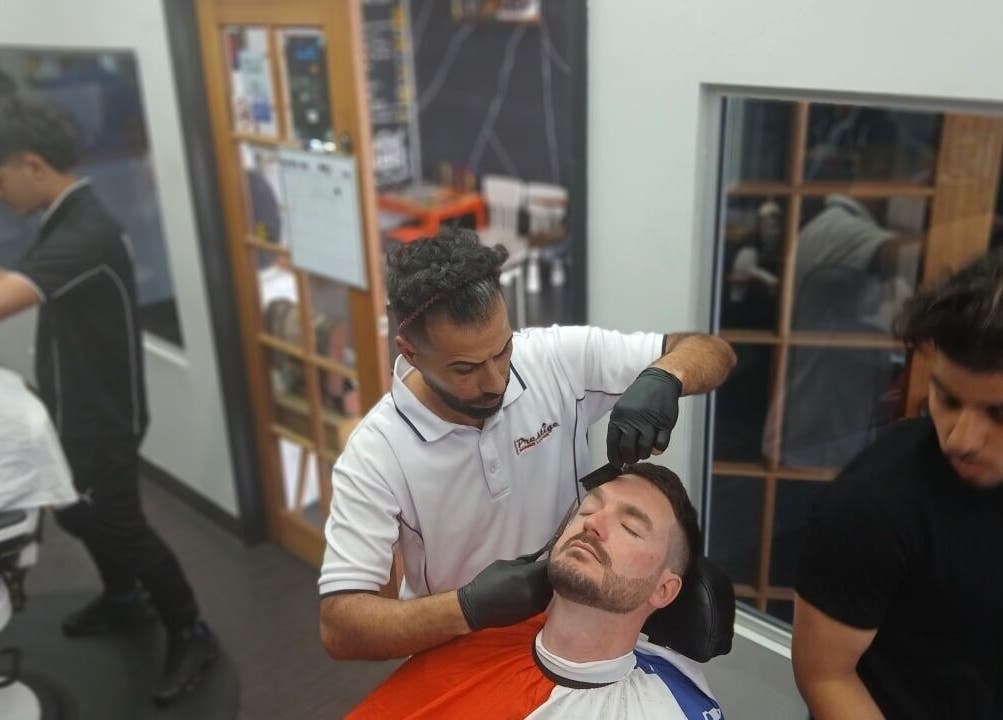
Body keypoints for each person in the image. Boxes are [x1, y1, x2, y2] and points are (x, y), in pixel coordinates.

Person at [318, 228, 736, 661]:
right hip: (461, 651)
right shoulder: (376, 454)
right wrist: (468, 608)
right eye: (465, 368)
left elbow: (709, 350)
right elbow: (341, 626)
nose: (496, 381)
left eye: (503, 351)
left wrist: (664, 377)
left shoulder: (555, 361)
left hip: (572, 631)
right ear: (410, 351)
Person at [0, 95, 217, 705]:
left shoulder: (86, 230)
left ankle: (189, 630)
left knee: (121, 523)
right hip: (73, 402)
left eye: (1, 179)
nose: (2, 194)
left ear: (34, 165)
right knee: (73, 510)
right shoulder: (64, 219)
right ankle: (124, 599)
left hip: (104, 416)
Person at [792, 249, 1003, 719]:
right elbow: (826, 675)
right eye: (947, 398)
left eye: (999, 414)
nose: (961, 439)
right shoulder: (871, 506)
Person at [347, 463, 723, 719]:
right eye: (589, 508)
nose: (593, 524)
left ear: (664, 590)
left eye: (630, 528)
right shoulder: (478, 633)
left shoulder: (672, 698)